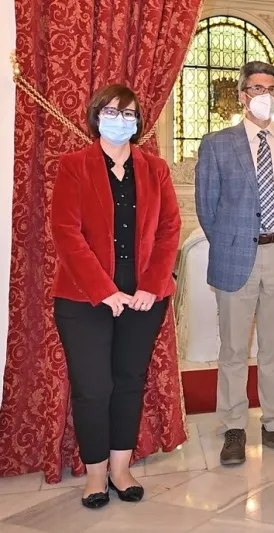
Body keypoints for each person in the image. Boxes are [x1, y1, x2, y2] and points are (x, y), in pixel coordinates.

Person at [51, 84, 181, 508]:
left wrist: (151, 286)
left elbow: (168, 231)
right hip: (83, 299)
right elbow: (66, 234)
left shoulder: (155, 169)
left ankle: (121, 469)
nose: (120, 120)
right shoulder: (74, 166)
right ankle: (94, 476)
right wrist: (104, 291)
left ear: (139, 122)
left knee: (129, 382)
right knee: (92, 387)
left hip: (143, 297)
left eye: (128, 114)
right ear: (96, 116)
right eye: (111, 111)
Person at [195, 61, 274, 465]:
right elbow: (207, 209)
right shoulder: (217, 144)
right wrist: (231, 242)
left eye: (271, 89)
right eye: (257, 89)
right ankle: (233, 428)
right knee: (233, 348)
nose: (265, 96)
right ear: (243, 95)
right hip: (236, 254)